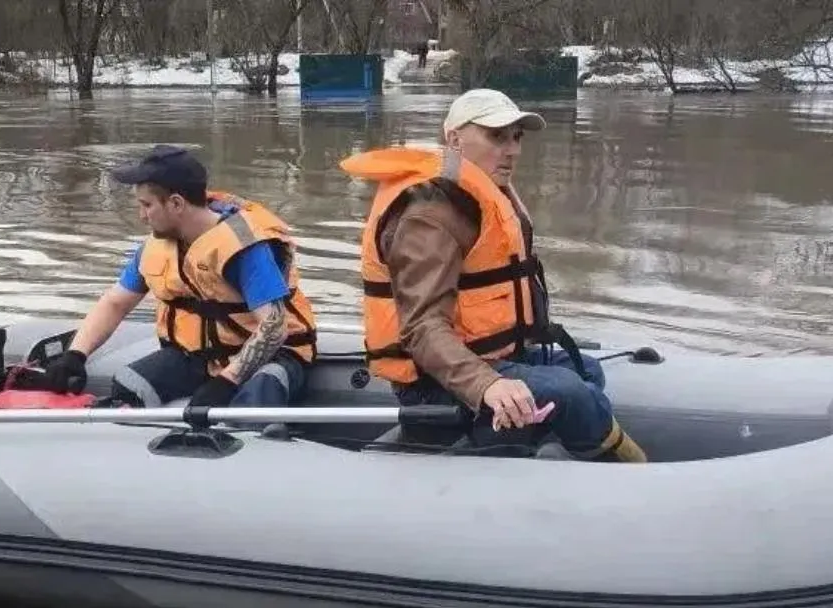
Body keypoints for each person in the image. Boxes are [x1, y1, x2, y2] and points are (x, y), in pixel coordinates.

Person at [338, 89, 647, 462]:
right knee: (568, 390)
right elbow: (421, 329)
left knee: (586, 371)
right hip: (432, 381)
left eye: (516, 137)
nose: (513, 149)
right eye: (496, 136)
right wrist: (488, 384)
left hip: (489, 355)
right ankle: (626, 467)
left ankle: (513, 439)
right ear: (454, 139)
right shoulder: (429, 216)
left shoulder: (480, 196)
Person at [42, 145, 318, 413]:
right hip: (200, 357)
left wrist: (227, 380)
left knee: (258, 394)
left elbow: (274, 327)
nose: (141, 216)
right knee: (129, 386)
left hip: (272, 355)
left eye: (147, 205)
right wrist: (76, 355)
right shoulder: (156, 246)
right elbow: (116, 303)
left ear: (176, 203)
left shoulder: (244, 248)